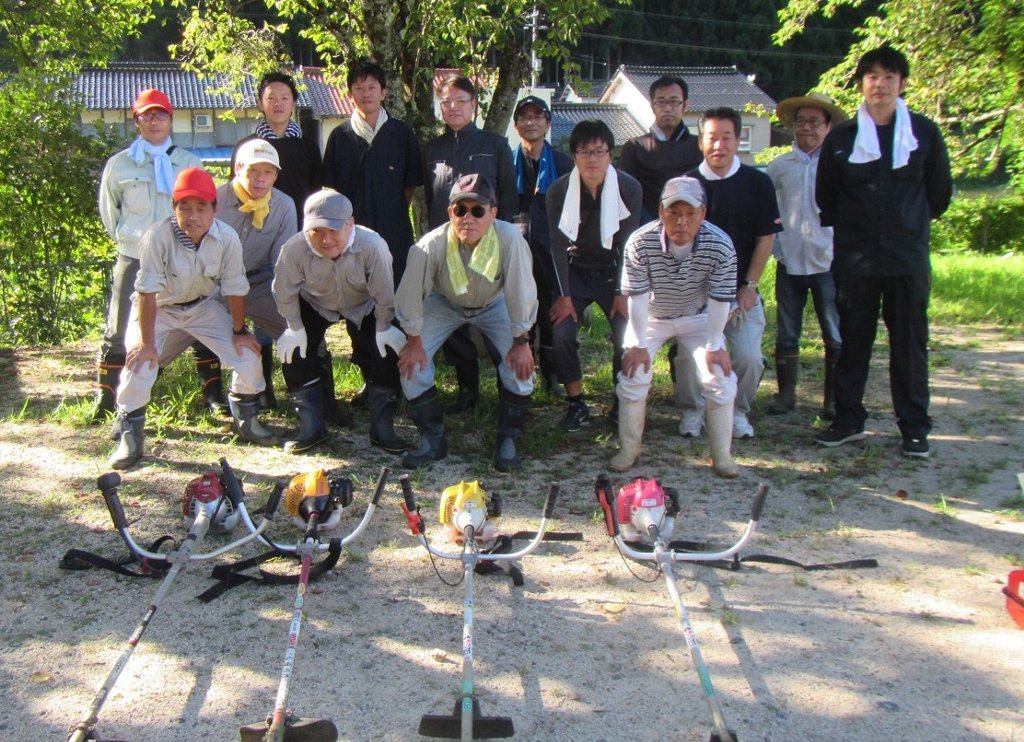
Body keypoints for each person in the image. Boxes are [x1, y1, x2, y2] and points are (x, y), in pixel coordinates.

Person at [815, 44, 952, 458]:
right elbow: (827, 198)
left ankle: (913, 427)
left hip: (907, 258)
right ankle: (848, 419)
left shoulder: (924, 133)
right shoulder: (841, 138)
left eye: (889, 76)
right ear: (861, 84)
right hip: (856, 259)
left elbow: (939, 195)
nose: (880, 84)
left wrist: (905, 225)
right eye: (872, 76)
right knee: (852, 341)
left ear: (902, 83)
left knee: (909, 344)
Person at [107, 167, 276, 469]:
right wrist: (147, 344)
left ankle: (245, 418)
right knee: (140, 364)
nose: (193, 216)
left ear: (215, 209)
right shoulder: (156, 237)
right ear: (174, 208)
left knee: (248, 356)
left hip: (203, 306)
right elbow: (147, 294)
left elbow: (235, 288)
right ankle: (130, 432)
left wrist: (239, 331)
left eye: (201, 208)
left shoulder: (227, 238)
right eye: (184, 207)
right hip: (158, 308)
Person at [395, 174, 537, 471]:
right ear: (450, 213)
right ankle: (433, 438)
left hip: (494, 304)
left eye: (478, 210)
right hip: (444, 302)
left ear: (493, 213)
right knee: (411, 366)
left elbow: (521, 290)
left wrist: (521, 341)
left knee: (521, 370)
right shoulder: (430, 245)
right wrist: (413, 340)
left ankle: (508, 437)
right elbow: (410, 295)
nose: (468, 218)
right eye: (460, 210)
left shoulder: (510, 239)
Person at [232, 71, 346, 426]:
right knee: (265, 316)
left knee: (303, 314)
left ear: (294, 103)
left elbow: (318, 190)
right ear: (261, 104)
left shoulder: (307, 144)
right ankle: (262, 391)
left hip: (303, 239)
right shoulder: (250, 144)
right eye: (271, 97)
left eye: (284, 97)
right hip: (259, 241)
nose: (278, 103)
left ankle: (321, 397)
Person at [611, 177, 739, 478]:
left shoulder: (721, 244)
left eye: (690, 213)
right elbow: (637, 299)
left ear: (703, 214)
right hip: (652, 317)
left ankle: (722, 455)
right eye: (673, 213)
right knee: (634, 374)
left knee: (719, 377)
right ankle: (629, 449)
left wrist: (714, 345)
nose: (681, 222)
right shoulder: (640, 242)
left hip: (700, 316)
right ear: (660, 212)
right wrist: (639, 344)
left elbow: (720, 301)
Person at [93, 88, 203, 423]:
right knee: (120, 324)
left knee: (199, 315)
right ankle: (108, 396)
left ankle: (212, 394)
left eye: (160, 114)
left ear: (171, 119)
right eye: (147, 115)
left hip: (180, 254)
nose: (154, 120)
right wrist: (132, 241)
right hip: (134, 256)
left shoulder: (188, 162)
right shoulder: (120, 165)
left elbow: (204, 208)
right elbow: (109, 212)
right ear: (136, 119)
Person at [272, 190, 408, 454]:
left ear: (351, 224)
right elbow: (284, 291)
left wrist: (384, 325)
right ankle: (312, 425)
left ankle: (382, 425)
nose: (325, 239)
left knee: (388, 345)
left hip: (365, 303)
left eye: (334, 230)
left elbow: (384, 292)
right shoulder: (293, 249)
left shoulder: (373, 246)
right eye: (316, 231)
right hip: (315, 303)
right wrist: (293, 326)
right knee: (293, 350)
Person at [685, 107, 782, 439]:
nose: (719, 146)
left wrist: (751, 286)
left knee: (749, 356)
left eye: (727, 137)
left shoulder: (758, 183)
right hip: (694, 293)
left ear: (738, 140)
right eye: (712, 138)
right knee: (688, 352)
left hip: (741, 290)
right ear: (701, 142)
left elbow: (765, 238)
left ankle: (736, 410)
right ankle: (693, 409)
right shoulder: (686, 184)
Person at [422, 74, 517, 414]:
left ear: (474, 105)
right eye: (446, 102)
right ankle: (467, 389)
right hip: (448, 247)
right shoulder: (432, 150)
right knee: (453, 313)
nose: (453, 108)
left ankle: (511, 390)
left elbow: (508, 194)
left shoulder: (495, 145)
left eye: (461, 101)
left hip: (489, 245)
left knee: (496, 315)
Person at [546, 120, 642, 431]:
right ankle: (576, 403)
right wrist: (564, 296)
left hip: (615, 268)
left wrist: (622, 291)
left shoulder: (629, 187)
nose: (592, 159)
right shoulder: (558, 190)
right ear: (573, 155)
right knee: (561, 332)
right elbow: (558, 246)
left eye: (599, 151)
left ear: (610, 154)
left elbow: (629, 243)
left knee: (625, 332)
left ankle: (621, 400)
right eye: (585, 152)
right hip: (575, 268)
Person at [764, 93, 847, 420]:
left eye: (814, 122)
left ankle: (833, 399)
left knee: (834, 332)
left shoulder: (839, 164)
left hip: (829, 261)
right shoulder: (780, 166)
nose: (807, 128)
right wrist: (773, 242)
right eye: (801, 122)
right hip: (790, 261)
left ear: (828, 126)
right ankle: (786, 395)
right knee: (787, 332)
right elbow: (765, 208)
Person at [323, 60, 424, 285]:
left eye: (371, 87)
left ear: (384, 92)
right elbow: (332, 188)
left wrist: (394, 210)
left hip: (394, 226)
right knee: (356, 294)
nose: (365, 94)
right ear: (350, 94)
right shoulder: (340, 136)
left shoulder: (401, 133)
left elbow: (411, 184)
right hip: (352, 229)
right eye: (359, 88)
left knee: (397, 288)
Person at [510, 94, 573, 395]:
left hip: (552, 250)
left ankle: (551, 372)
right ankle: (525, 370)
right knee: (522, 312)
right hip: (517, 249)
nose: (531, 122)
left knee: (551, 313)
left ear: (548, 123)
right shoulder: (507, 164)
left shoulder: (562, 163)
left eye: (537, 116)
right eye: (524, 116)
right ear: (516, 124)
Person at [618, 75, 702, 223]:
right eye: (661, 102)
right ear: (652, 106)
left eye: (674, 102)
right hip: (646, 229)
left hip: (691, 227)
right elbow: (627, 194)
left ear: (685, 105)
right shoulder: (635, 147)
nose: (668, 108)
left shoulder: (700, 146)